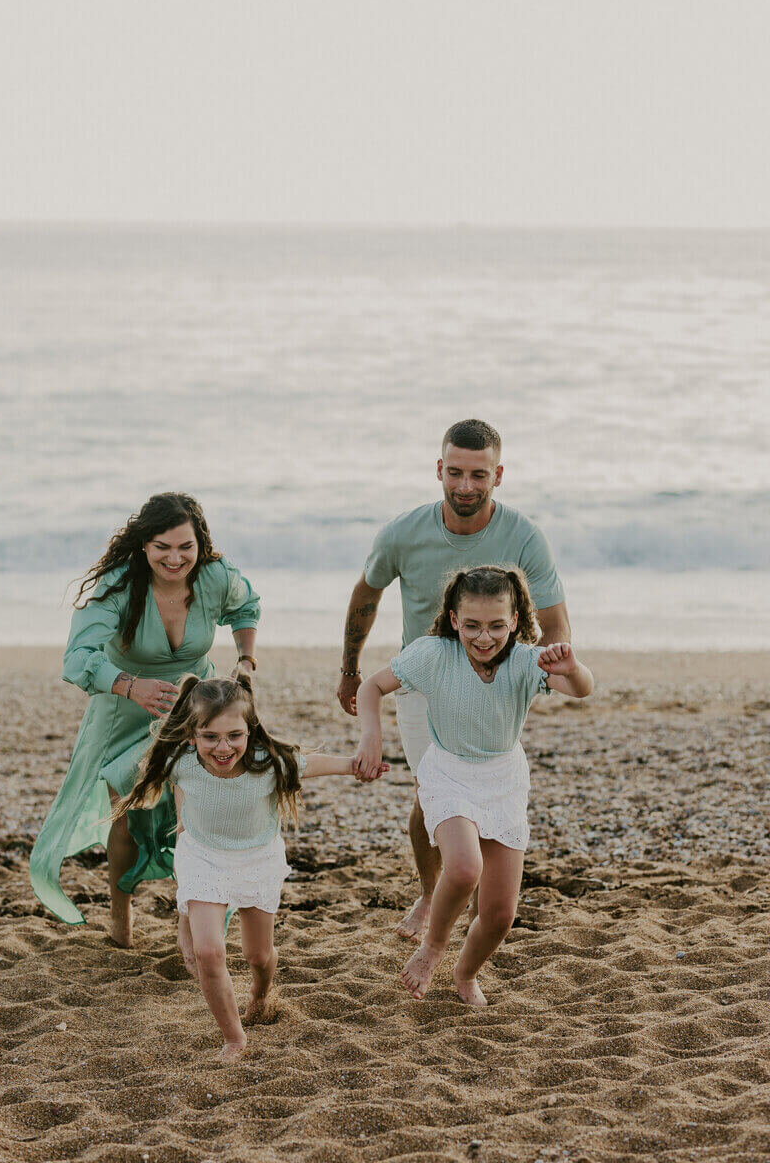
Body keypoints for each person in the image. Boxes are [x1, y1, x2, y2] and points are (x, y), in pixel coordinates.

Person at [337, 418, 570, 940]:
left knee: (485, 786)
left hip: (499, 679)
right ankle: (431, 891)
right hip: (424, 683)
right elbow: (365, 596)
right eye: (456, 473)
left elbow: (555, 618)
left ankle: (471, 888)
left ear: (498, 475)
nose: (466, 486)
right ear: (440, 469)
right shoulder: (404, 532)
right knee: (434, 790)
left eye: (479, 475)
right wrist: (350, 670)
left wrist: (551, 672)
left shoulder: (525, 536)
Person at [116, 673, 388, 1062]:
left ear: (250, 730)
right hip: (204, 858)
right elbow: (147, 778)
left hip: (257, 859)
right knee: (209, 952)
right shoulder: (180, 763)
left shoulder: (267, 762)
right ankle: (234, 1038)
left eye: (234, 736)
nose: (223, 747)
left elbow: (313, 764)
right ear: (192, 735)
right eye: (210, 737)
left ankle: (261, 992)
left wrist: (357, 766)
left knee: (259, 955)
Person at [29, 492, 261, 948]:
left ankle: (194, 914)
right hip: (123, 710)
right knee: (126, 810)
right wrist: (129, 685)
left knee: (192, 809)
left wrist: (246, 661)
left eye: (185, 547)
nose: (175, 559)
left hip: (193, 708)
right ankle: (121, 917)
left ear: (200, 544)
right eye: (162, 547)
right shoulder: (120, 585)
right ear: (144, 546)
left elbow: (246, 608)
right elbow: (78, 657)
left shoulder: (214, 577)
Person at [355, 565, 593, 1004]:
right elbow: (371, 687)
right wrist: (372, 737)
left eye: (497, 626)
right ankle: (433, 947)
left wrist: (574, 669)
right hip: (448, 771)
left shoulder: (525, 660)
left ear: (515, 621)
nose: (484, 638)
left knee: (500, 914)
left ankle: (466, 974)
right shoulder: (433, 654)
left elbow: (581, 688)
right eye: (472, 626)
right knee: (464, 868)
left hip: (503, 778)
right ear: (453, 620)